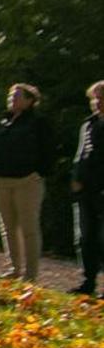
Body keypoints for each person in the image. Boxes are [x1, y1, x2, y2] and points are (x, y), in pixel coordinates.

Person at [0, 83, 51, 281]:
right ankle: (14, 268)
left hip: (27, 180)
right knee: (8, 227)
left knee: (29, 228)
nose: (12, 99)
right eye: (10, 96)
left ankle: (30, 274)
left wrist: (39, 173)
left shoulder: (38, 122)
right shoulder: (4, 121)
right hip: (1, 179)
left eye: (17, 96)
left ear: (30, 100)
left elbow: (47, 150)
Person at [70, 80, 104, 296]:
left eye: (101, 98)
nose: (97, 103)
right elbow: (80, 154)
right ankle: (88, 281)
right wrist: (76, 178)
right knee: (85, 237)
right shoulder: (88, 125)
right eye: (95, 98)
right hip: (86, 188)